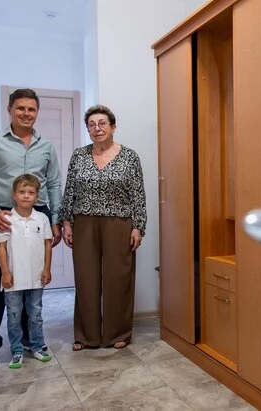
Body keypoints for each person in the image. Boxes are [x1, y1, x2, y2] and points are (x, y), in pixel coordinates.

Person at [0, 88, 62, 375]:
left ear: (37, 112)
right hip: (4, 217)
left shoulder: (46, 147)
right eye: (20, 108)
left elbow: (54, 184)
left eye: (31, 109)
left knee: (32, 279)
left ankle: (29, 341)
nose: (26, 113)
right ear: (9, 109)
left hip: (38, 216)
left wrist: (55, 220)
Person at [59, 104, 147, 351]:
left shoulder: (130, 157)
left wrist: (138, 226)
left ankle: (117, 332)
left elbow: (138, 194)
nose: (96, 128)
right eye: (91, 125)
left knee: (118, 278)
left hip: (119, 222)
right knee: (86, 278)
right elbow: (70, 190)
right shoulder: (79, 156)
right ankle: (86, 335)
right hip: (84, 222)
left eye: (102, 123)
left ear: (113, 127)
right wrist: (66, 222)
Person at [0, 174, 53, 368]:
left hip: (36, 278)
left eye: (31, 192)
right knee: (14, 316)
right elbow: (1, 247)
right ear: (14, 195)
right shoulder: (6, 219)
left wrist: (47, 269)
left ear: (37, 197)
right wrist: (5, 272)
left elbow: (47, 245)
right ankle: (17, 350)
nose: (26, 196)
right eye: (22, 192)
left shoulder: (42, 219)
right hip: (14, 279)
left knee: (35, 314)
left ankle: (37, 346)